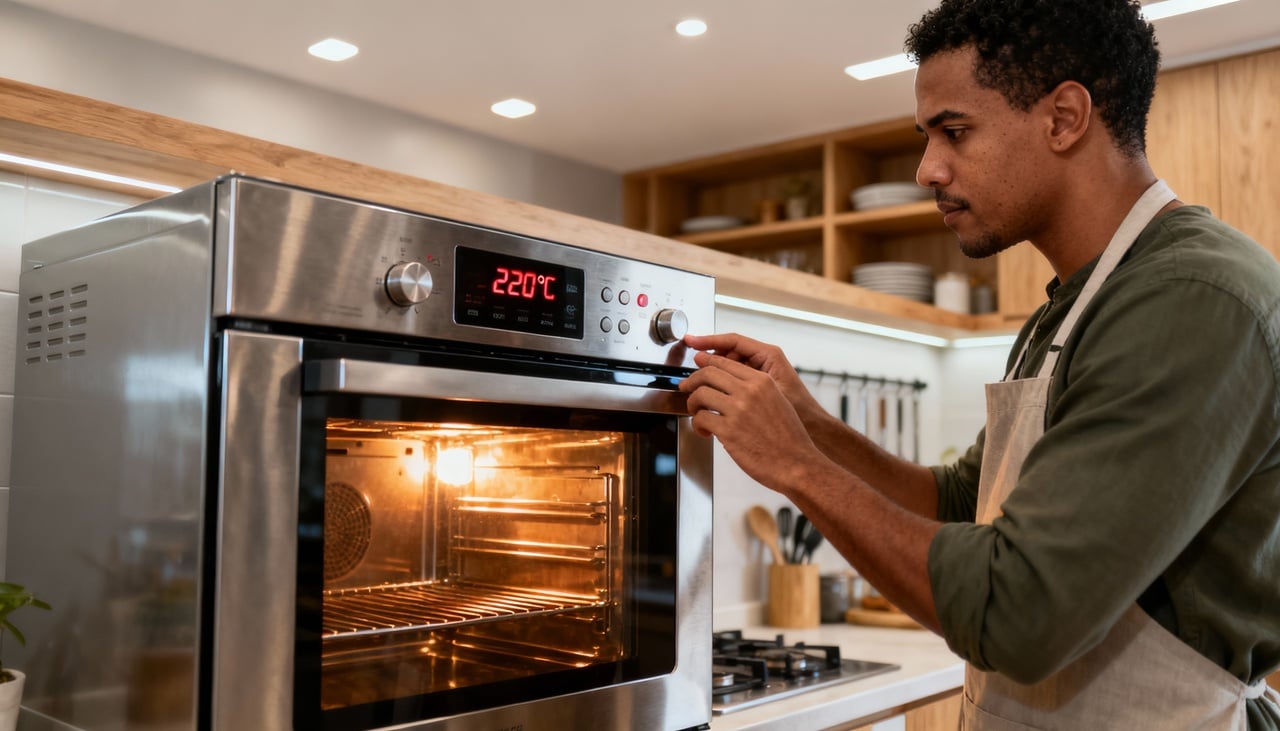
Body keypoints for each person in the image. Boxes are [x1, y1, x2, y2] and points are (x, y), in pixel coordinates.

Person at [677, 0, 1280, 728]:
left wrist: (798, 467)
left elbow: (1020, 614)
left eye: (954, 131)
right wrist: (809, 424)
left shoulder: (1191, 300)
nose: (928, 168)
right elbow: (961, 503)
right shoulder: (1075, 303)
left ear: (1064, 117)